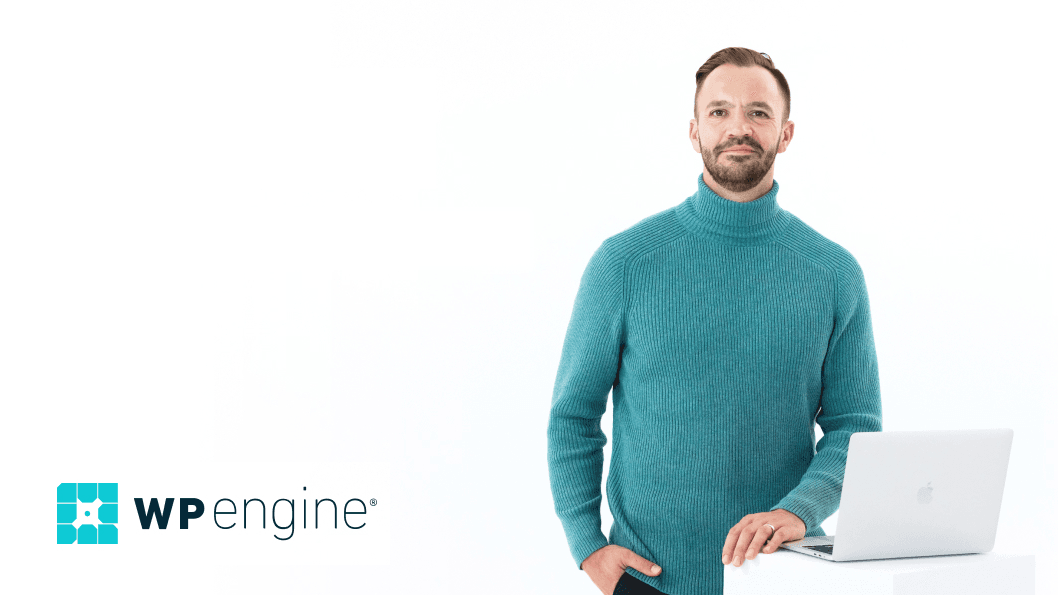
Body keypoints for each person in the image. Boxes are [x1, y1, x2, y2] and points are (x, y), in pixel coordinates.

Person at [546, 47, 883, 595]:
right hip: (648, 580)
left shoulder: (832, 273)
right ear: (694, 130)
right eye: (720, 111)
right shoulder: (626, 263)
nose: (738, 128)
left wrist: (800, 510)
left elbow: (856, 428)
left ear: (786, 132)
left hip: (786, 577)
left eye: (758, 112)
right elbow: (573, 416)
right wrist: (586, 544)